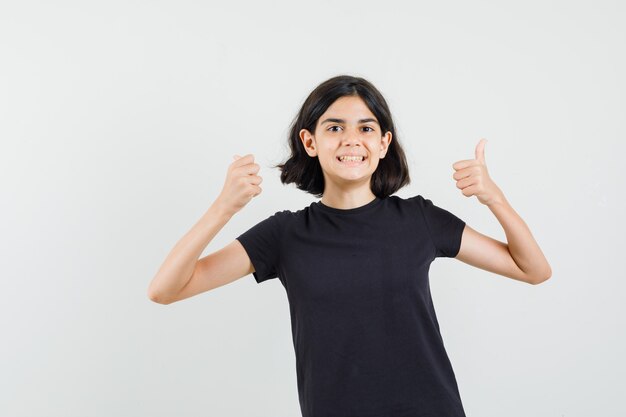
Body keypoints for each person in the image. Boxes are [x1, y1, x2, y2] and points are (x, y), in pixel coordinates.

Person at [147, 74, 552, 417]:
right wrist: (223, 208)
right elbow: (165, 289)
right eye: (335, 127)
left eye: (366, 128)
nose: (351, 140)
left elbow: (533, 269)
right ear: (310, 141)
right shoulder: (284, 235)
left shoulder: (420, 220)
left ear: (383, 143)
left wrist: (494, 198)